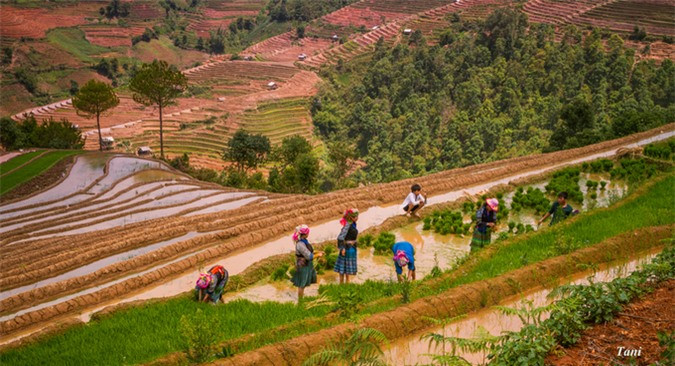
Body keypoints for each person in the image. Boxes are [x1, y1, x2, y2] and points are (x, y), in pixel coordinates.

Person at [290, 224, 322, 300]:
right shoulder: (300, 244)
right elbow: (309, 256)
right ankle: (300, 300)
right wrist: (318, 255)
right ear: (305, 234)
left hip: (306, 264)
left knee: (304, 282)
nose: (308, 234)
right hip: (302, 265)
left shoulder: (304, 241)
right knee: (302, 284)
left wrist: (317, 252)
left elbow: (309, 251)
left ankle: (301, 297)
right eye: (308, 232)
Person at [334, 208, 359, 284]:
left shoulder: (353, 224)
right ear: (351, 217)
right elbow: (340, 237)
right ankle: (341, 284)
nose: (357, 218)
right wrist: (342, 248)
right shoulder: (347, 225)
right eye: (356, 217)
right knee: (343, 269)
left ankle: (347, 284)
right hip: (346, 249)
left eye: (357, 216)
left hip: (351, 248)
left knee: (346, 270)